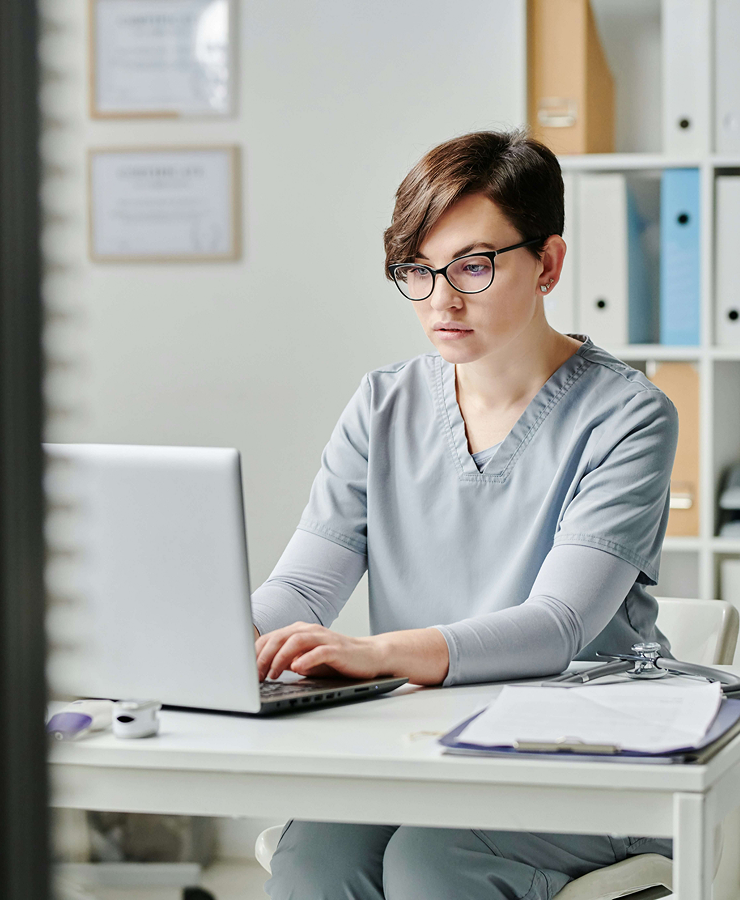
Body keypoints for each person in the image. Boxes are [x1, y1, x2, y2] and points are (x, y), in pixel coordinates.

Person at [252, 130, 677, 900]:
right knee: (313, 860)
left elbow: (556, 625)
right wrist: (203, 642)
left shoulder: (628, 416)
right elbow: (302, 592)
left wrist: (379, 652)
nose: (441, 299)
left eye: (473, 267)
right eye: (417, 269)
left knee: (431, 863)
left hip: (587, 749)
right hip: (420, 743)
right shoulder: (382, 404)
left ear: (547, 263)